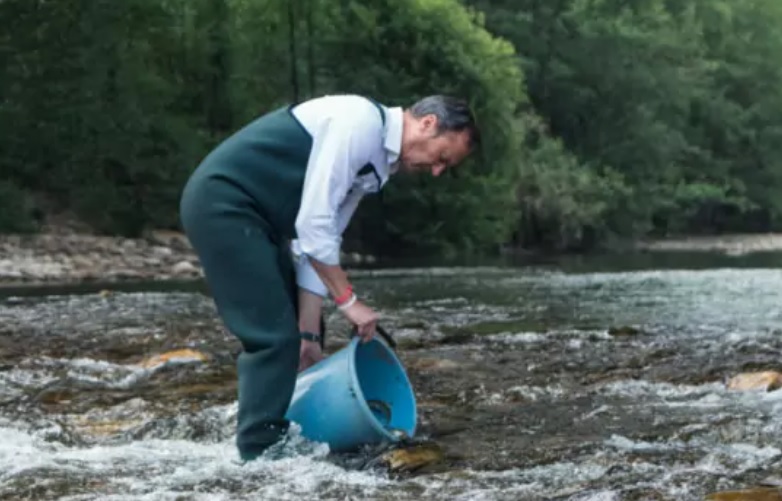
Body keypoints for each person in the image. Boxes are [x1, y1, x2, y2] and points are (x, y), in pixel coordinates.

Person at [179, 93, 480, 461]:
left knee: (298, 334)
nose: (437, 171)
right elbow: (314, 224)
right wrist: (349, 302)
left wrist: (309, 332)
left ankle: (277, 429)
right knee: (273, 337)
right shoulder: (358, 124)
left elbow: (320, 244)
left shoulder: (378, 165)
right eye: (443, 157)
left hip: (259, 220)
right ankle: (259, 456)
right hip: (223, 203)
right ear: (428, 123)